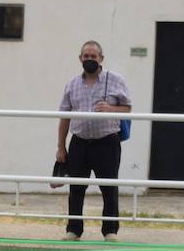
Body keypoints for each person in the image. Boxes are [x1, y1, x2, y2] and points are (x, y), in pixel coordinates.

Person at [56, 40, 132, 240]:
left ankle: (110, 231)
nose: (89, 59)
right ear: (80, 58)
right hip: (79, 142)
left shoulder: (115, 80)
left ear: (101, 59)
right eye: (86, 56)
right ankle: (74, 230)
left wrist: (110, 109)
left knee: (109, 188)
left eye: (93, 56)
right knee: (76, 188)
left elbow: (127, 108)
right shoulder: (72, 84)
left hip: (107, 142)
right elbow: (64, 117)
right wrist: (61, 147)